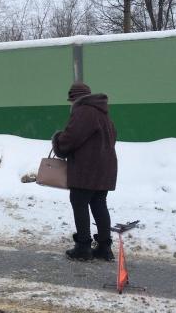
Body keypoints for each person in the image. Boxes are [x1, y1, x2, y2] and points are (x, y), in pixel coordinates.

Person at [52, 82, 118, 261]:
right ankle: (105, 248)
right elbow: (113, 136)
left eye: (70, 101)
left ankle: (83, 247)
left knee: (79, 203)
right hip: (104, 168)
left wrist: (58, 140)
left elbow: (71, 138)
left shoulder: (83, 112)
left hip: (87, 169)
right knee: (99, 204)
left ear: (75, 99)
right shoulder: (102, 113)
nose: (70, 105)